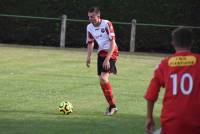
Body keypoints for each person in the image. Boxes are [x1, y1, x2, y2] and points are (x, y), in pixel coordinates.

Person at [144, 27, 200, 134]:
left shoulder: (164, 64)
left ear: (173, 43)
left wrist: (149, 117)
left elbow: (151, 95)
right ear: (192, 42)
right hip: (196, 122)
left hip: (171, 123)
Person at [86, 7, 119, 116]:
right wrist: (89, 57)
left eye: (92, 17)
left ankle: (113, 106)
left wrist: (107, 59)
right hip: (101, 53)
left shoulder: (107, 24)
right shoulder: (89, 27)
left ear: (98, 16)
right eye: (89, 17)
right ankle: (111, 105)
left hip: (111, 51)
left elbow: (112, 42)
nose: (90, 19)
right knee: (101, 81)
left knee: (104, 79)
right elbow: (90, 43)